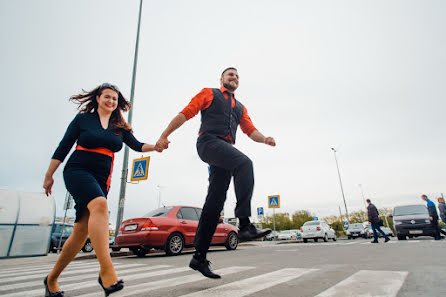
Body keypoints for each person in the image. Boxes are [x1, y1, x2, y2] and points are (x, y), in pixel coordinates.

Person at [43, 83, 162, 296]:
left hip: (101, 178)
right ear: (98, 98)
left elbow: (137, 145)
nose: (111, 101)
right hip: (77, 169)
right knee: (100, 205)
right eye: (107, 97)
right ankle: (106, 271)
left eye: (114, 99)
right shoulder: (83, 120)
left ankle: (51, 280)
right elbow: (63, 147)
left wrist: (156, 146)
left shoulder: (120, 126)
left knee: (80, 234)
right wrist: (48, 175)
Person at [156, 67, 274, 279]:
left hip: (224, 154)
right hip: (209, 143)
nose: (234, 78)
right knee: (245, 163)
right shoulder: (209, 93)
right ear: (221, 78)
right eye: (230, 74)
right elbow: (186, 113)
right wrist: (165, 134)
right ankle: (245, 224)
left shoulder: (240, 107)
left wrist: (264, 138)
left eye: (237, 76)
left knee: (215, 203)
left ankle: (199, 257)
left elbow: (250, 130)